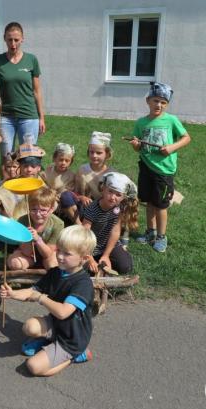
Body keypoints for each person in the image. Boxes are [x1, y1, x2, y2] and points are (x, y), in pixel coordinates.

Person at [0, 225, 97, 377]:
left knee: (33, 367)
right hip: (57, 325)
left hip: (72, 338)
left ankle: (76, 355)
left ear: (83, 258)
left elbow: (63, 312)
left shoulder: (82, 284)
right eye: (59, 250)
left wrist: (41, 298)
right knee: (29, 327)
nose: (59, 256)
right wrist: (12, 294)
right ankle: (49, 342)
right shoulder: (56, 273)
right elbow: (32, 291)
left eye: (67, 253)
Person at [128, 82, 191, 253]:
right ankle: (150, 232)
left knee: (161, 205)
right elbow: (138, 146)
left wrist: (171, 148)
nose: (159, 105)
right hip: (146, 167)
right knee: (149, 202)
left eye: (163, 102)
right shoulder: (141, 122)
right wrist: (135, 144)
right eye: (156, 101)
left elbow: (186, 138)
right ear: (148, 101)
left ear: (167, 105)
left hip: (163, 171)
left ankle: (162, 236)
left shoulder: (171, 120)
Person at [0, 22, 46, 159]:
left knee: (28, 158)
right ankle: (6, 181)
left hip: (28, 116)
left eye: (16, 40)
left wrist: (41, 118)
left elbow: (37, 91)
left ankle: (26, 181)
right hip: (5, 117)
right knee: (7, 158)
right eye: (10, 40)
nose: (13, 43)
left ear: (22, 39)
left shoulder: (31, 60)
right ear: (4, 38)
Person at [81, 172, 138, 275]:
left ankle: (105, 260)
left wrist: (106, 255)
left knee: (125, 266)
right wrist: (90, 257)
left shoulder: (120, 207)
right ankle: (98, 263)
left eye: (118, 195)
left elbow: (115, 231)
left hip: (109, 244)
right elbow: (84, 235)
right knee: (86, 270)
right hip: (90, 246)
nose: (112, 197)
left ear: (123, 197)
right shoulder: (92, 209)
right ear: (103, 189)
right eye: (110, 192)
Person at [7, 186, 64, 270]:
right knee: (15, 263)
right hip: (28, 256)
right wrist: (29, 238)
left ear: (51, 209)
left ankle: (50, 281)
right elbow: (26, 252)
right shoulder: (23, 221)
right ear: (28, 208)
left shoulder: (58, 224)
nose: (38, 214)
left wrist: (38, 239)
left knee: (53, 265)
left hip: (48, 255)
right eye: (34, 209)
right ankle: (25, 281)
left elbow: (48, 254)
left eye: (43, 210)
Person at [74, 132, 116, 209]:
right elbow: (75, 193)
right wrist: (82, 197)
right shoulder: (82, 170)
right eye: (91, 152)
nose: (94, 155)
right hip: (84, 207)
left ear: (107, 154)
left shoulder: (111, 173)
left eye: (99, 153)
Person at [42, 143, 78, 224]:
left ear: (71, 162)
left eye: (67, 161)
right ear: (54, 159)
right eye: (61, 159)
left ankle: (45, 220)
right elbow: (43, 180)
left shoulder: (70, 176)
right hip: (46, 194)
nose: (63, 163)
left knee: (52, 206)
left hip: (58, 200)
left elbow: (66, 191)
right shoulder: (50, 169)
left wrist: (55, 196)